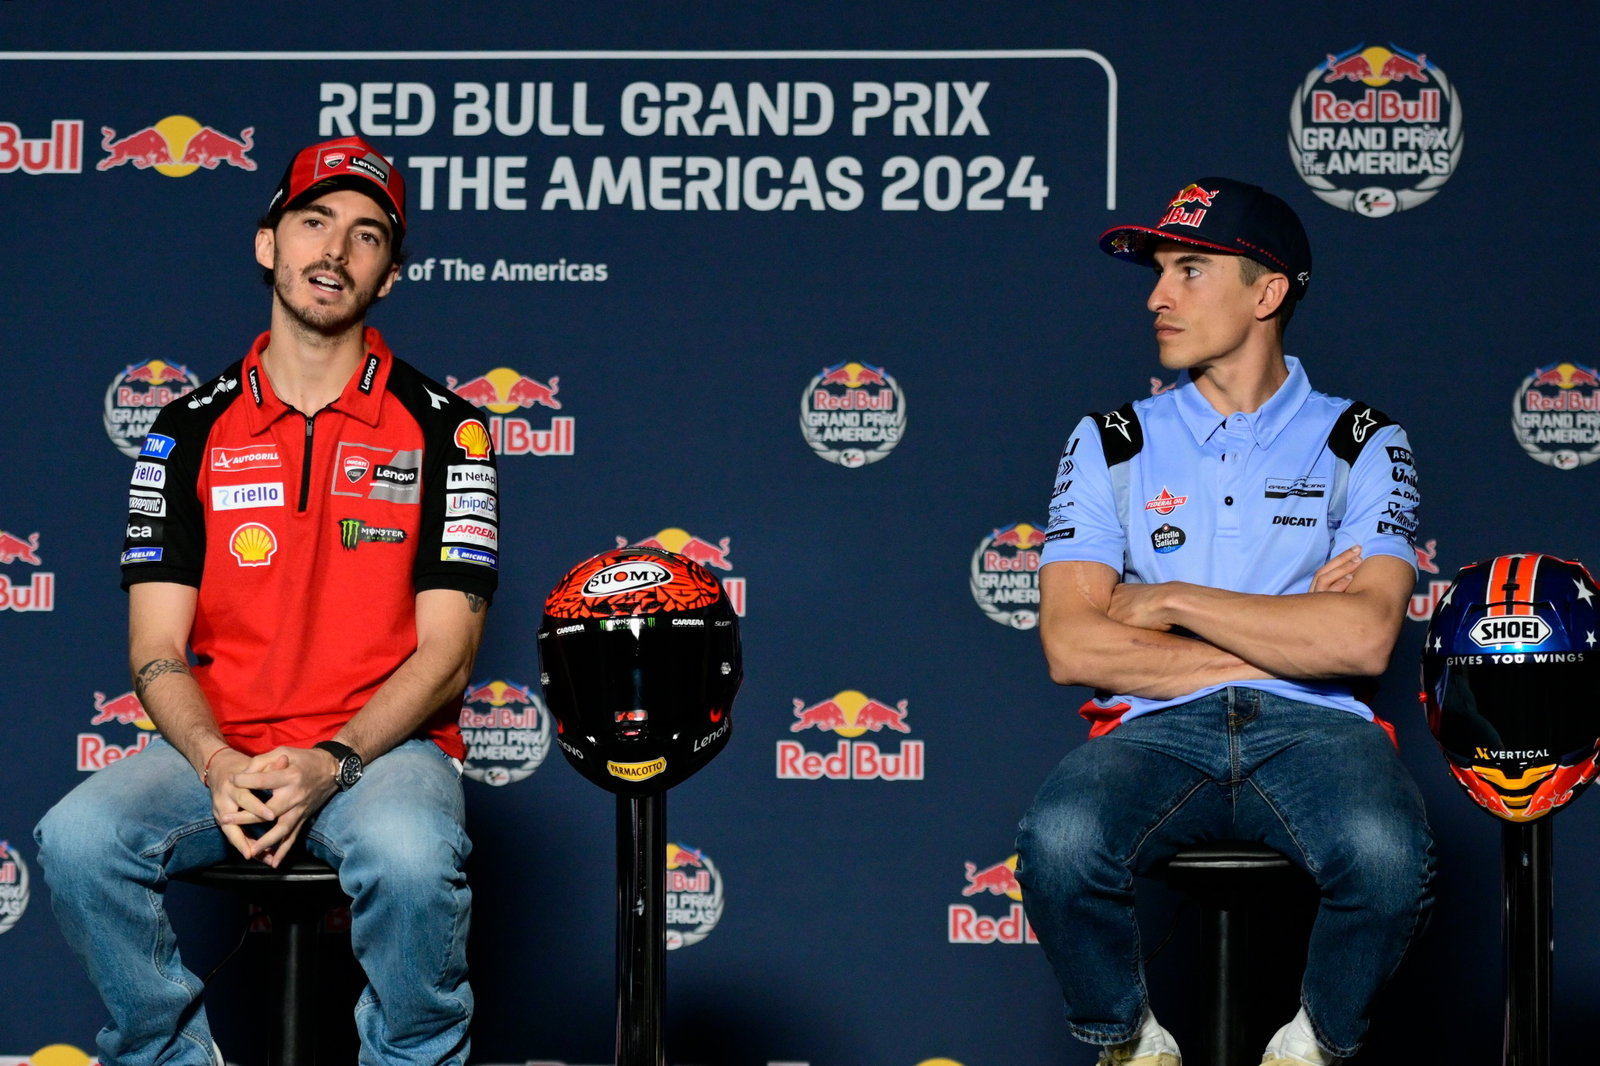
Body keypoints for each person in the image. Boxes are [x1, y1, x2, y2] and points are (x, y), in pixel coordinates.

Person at [35, 136, 499, 1066]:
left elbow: (447, 651)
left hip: (382, 756)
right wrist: (212, 760)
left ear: (390, 276)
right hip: (225, 756)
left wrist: (332, 759)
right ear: (268, 243)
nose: (334, 251)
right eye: (313, 222)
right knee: (79, 839)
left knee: (410, 859)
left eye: (366, 236)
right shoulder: (185, 428)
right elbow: (155, 645)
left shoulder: (451, 429)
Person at [1014, 178, 1433, 1066]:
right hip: (1156, 732)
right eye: (1160, 271)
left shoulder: (1363, 439)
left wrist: (1166, 601)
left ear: (1268, 292)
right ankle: (1128, 1043)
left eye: (1191, 269)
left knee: (1389, 860)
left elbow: (1362, 641)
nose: (1159, 295)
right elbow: (1071, 645)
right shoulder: (1112, 439)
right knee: (1058, 843)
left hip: (1318, 730)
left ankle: (1314, 1044)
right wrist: (1289, 629)